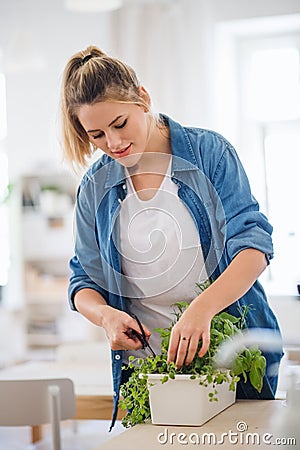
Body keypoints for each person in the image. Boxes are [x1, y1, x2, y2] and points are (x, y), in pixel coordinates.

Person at [60, 45, 283, 429]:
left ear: (143, 99)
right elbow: (83, 281)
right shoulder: (95, 187)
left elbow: (254, 247)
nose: (112, 143)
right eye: (96, 134)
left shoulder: (209, 153)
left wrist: (203, 308)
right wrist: (106, 317)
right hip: (150, 372)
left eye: (120, 123)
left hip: (234, 355)